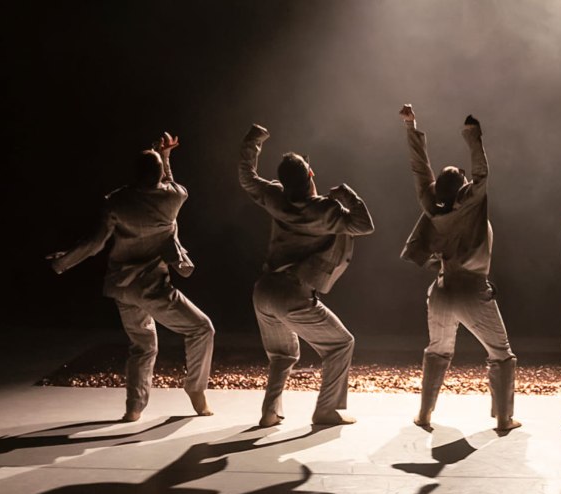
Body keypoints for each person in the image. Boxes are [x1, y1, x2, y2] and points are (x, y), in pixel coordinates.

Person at [48, 132, 215, 422]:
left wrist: (62, 262)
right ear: (160, 175)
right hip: (153, 287)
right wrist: (166, 156)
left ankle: (134, 407)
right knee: (202, 329)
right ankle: (196, 390)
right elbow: (170, 183)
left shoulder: (116, 201)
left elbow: (94, 244)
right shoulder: (173, 197)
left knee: (142, 347)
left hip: (123, 287)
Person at [238, 124, 374, 427]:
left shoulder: (275, 197)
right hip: (292, 293)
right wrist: (348, 196)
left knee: (282, 354)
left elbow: (247, 177)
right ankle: (327, 410)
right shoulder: (325, 210)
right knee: (340, 345)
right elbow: (364, 225)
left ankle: (270, 411)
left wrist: (253, 140)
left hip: (263, 290)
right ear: (311, 175)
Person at [398, 104, 521, 433]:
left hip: (441, 290)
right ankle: (504, 418)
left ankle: (424, 414)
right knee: (502, 355)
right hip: (471, 289)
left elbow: (420, 170)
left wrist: (411, 127)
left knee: (437, 352)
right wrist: (472, 136)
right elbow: (482, 174)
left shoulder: (432, 206)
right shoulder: (471, 204)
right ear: (464, 187)